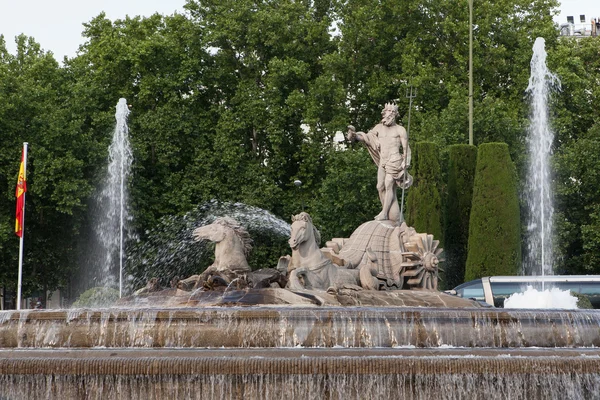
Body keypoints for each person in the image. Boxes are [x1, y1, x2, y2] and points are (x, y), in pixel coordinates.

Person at [347, 103, 412, 223]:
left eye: (392, 113)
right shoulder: (378, 128)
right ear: (384, 113)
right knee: (380, 187)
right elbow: (367, 138)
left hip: (394, 161)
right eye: (387, 112)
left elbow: (406, 148)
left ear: (395, 115)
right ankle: (392, 214)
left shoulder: (400, 129)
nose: (389, 115)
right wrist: (355, 136)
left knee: (388, 185)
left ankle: (384, 213)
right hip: (383, 161)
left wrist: (405, 162)